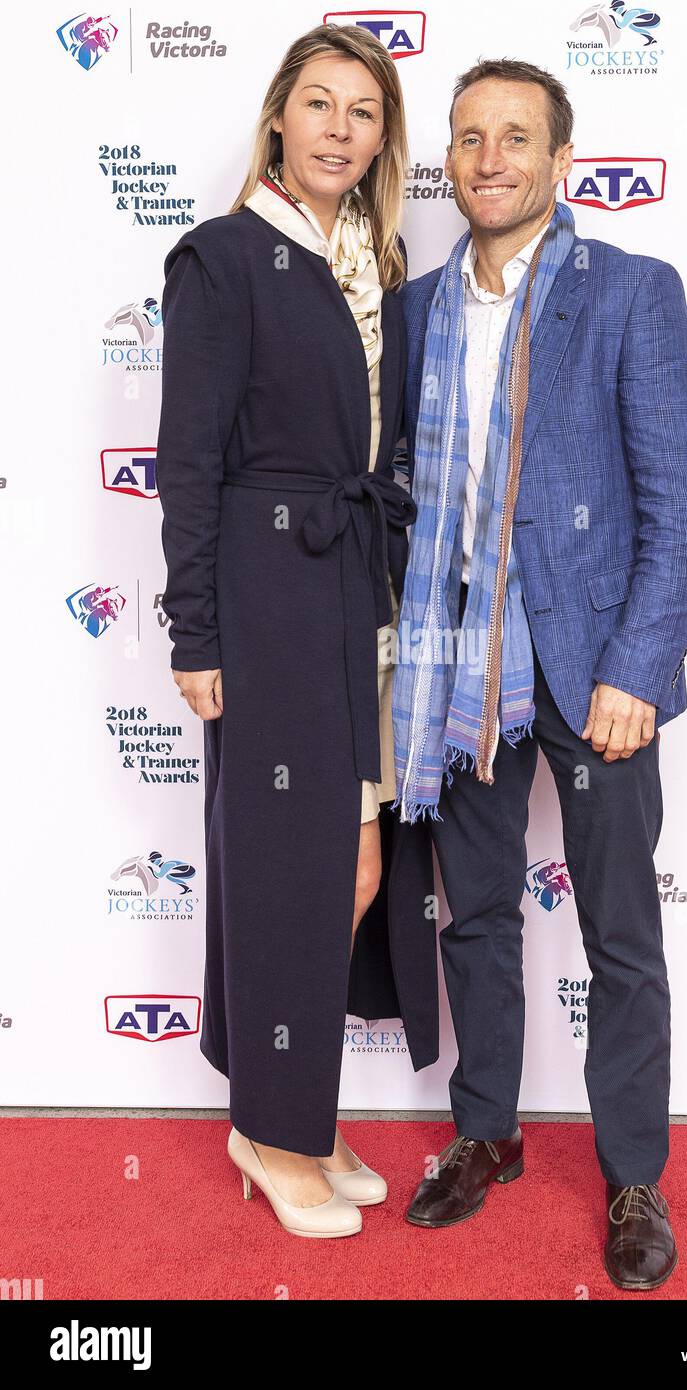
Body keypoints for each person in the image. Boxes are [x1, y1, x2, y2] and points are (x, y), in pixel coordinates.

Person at [392, 58, 687, 1289]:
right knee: (472, 913)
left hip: (590, 663)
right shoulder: (422, 309)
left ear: (557, 161)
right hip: (459, 662)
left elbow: (681, 504)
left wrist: (639, 663)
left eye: (514, 137)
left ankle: (633, 1172)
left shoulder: (629, 293)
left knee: (617, 928)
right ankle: (485, 1133)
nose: (487, 159)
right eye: (469, 137)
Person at [156, 22, 438, 1240]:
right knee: (286, 862)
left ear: (381, 137)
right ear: (279, 118)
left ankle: (297, 1107)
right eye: (317, 104)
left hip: (355, 589)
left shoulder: (372, 254)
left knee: (358, 858)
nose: (338, 128)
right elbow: (187, 460)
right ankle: (273, 1136)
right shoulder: (222, 257)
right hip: (268, 602)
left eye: (360, 111)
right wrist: (197, 630)